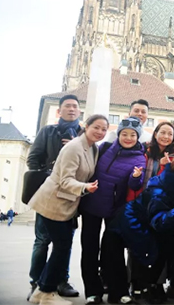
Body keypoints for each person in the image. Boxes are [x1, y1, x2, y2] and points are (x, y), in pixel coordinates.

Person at [27, 114, 108, 305]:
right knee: (61, 247)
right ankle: (46, 292)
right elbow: (65, 180)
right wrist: (85, 187)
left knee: (61, 247)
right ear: (86, 126)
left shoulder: (93, 148)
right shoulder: (74, 147)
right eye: (96, 127)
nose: (100, 132)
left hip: (66, 204)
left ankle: (41, 291)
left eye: (104, 129)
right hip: (53, 202)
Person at [109, 156, 174, 304]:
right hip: (133, 223)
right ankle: (141, 288)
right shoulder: (159, 191)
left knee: (163, 246)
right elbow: (158, 220)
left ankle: (154, 285)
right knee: (145, 252)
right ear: (173, 171)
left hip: (150, 223)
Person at [79, 117, 147, 304]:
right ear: (118, 134)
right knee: (90, 249)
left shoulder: (139, 157)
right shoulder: (105, 148)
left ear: (138, 137)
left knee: (113, 251)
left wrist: (136, 177)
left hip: (115, 210)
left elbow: (135, 185)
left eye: (132, 135)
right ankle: (93, 292)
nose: (128, 138)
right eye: (124, 134)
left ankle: (119, 292)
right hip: (92, 205)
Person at [26, 94, 82, 299]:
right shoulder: (47, 131)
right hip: (49, 193)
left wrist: (75, 146)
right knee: (42, 240)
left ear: (79, 111)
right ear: (60, 110)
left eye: (75, 106)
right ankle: (36, 281)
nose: (71, 109)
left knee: (65, 241)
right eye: (67, 106)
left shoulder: (83, 135)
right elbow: (33, 159)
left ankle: (61, 280)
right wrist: (49, 178)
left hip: (70, 194)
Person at [134, 121, 174, 198]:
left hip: (160, 198)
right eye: (163, 133)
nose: (166, 137)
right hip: (139, 194)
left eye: (170, 134)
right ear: (155, 134)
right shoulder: (143, 150)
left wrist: (166, 166)